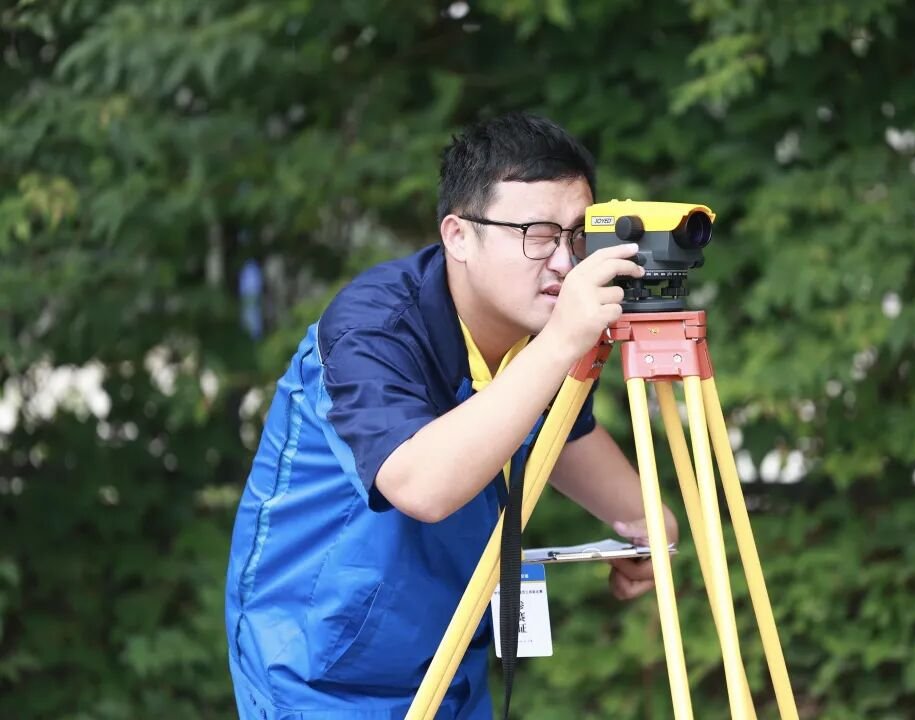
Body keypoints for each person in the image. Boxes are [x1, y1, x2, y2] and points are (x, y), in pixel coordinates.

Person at [224, 111, 679, 719]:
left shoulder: (540, 332)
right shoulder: (373, 327)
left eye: (578, 235)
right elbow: (422, 486)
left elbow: (564, 436)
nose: (564, 262)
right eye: (538, 234)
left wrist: (648, 525)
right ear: (458, 236)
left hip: (450, 658)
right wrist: (560, 343)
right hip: (317, 671)